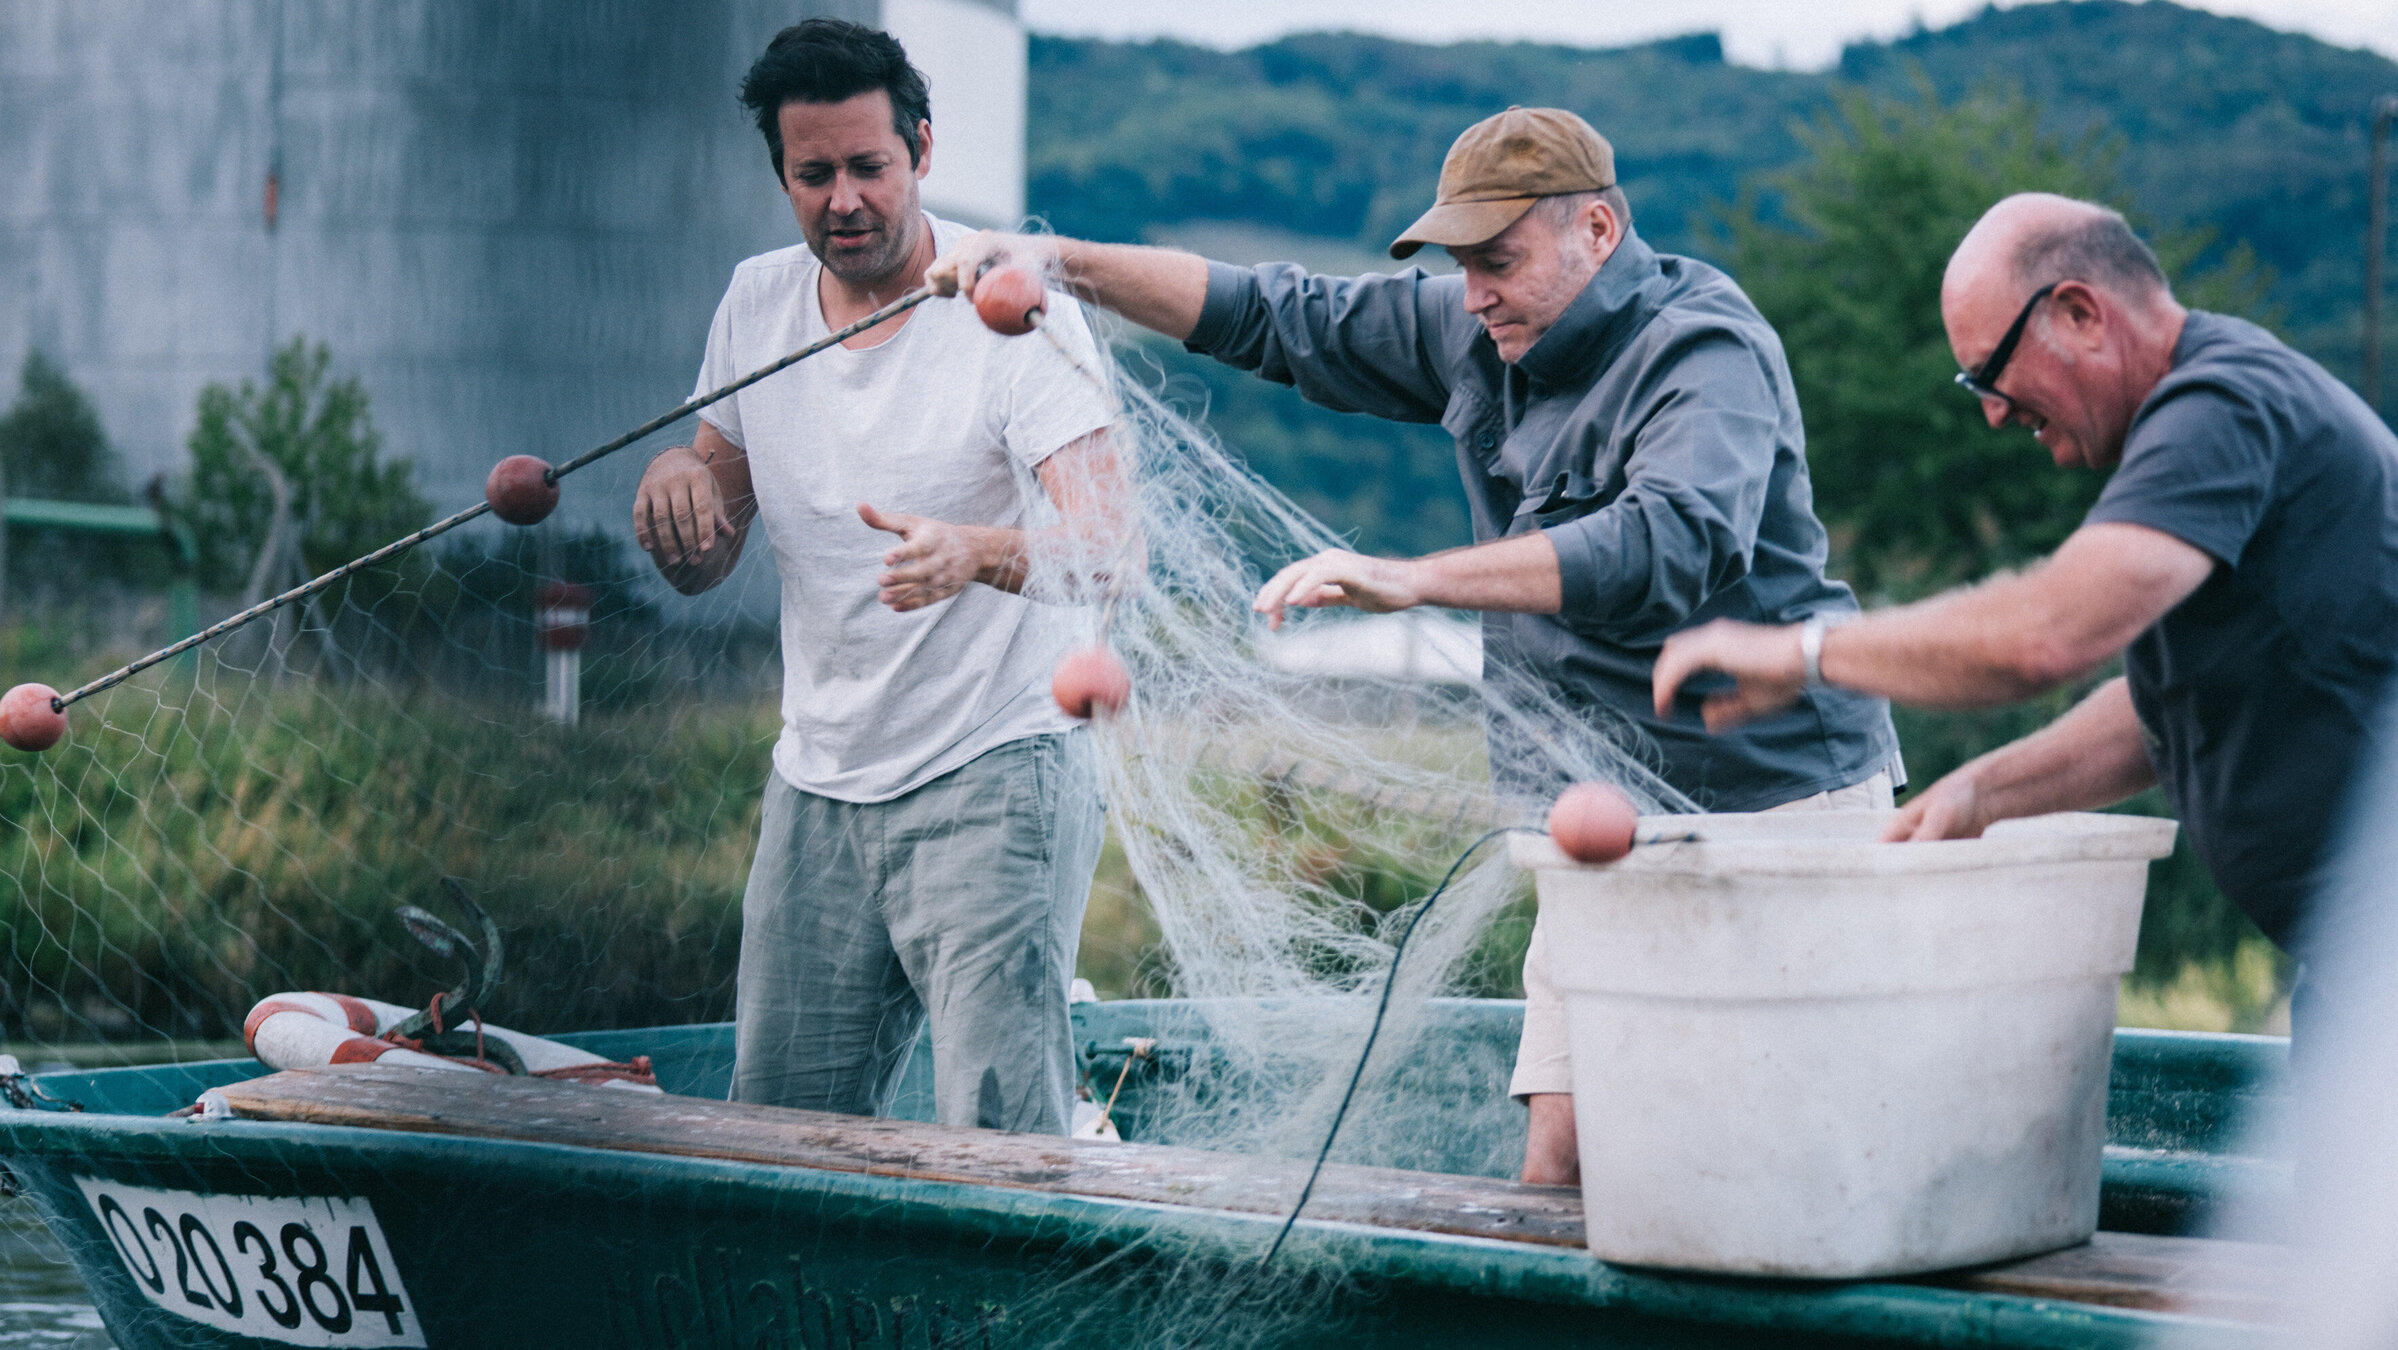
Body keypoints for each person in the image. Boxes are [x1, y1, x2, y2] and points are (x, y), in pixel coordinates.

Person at [929, 106, 1900, 1181]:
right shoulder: (1476, 333)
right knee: (1560, 1163)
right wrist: (1050, 262)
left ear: (1598, 231)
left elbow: (1661, 544)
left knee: (1793, 1170)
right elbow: (1271, 314)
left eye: (1498, 260)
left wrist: (1416, 580)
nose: (1474, 291)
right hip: (1598, 823)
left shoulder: (1704, 350)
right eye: (1459, 265)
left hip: (1776, 808)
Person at [1654, 192, 2398, 1030]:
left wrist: (1802, 654)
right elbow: (2161, 706)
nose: (1994, 412)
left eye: (1992, 372)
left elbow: (2045, 636)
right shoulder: (2207, 418)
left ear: (2079, 313)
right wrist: (1984, 792)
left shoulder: (2224, 409)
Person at [632, 20, 1122, 1134]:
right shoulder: (756, 306)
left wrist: (976, 552)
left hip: (995, 771)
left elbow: (1111, 549)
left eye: (868, 167)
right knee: (778, 1132)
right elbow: (707, 553)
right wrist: (675, 480)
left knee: (1000, 1139)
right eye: (814, 175)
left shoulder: (1010, 310)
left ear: (923, 152)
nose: (843, 199)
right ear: (783, 177)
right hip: (818, 782)